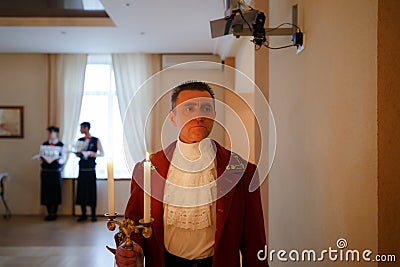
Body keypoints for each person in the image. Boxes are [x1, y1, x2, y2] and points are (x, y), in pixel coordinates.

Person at [112, 81, 268, 267]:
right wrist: (128, 247)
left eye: (206, 108)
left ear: (214, 116)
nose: (199, 115)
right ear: (172, 117)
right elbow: (134, 224)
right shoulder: (148, 170)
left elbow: (254, 241)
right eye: (189, 108)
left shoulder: (243, 171)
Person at [75, 122, 104, 222]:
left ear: (87, 128)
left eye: (82, 128)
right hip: (82, 168)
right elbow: (76, 152)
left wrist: (93, 154)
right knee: (81, 190)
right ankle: (83, 214)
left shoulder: (95, 140)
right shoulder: (79, 140)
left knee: (91, 190)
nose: (80, 129)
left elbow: (102, 153)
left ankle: (93, 214)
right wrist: (78, 154)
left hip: (91, 169)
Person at [40, 126, 66, 221]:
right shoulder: (44, 144)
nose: (50, 135)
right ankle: (48, 213)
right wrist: (42, 158)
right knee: (46, 192)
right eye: (49, 133)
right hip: (46, 171)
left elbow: (64, 158)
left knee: (55, 192)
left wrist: (58, 160)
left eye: (52, 133)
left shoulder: (60, 145)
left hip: (55, 172)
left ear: (56, 133)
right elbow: (41, 155)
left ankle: (54, 213)